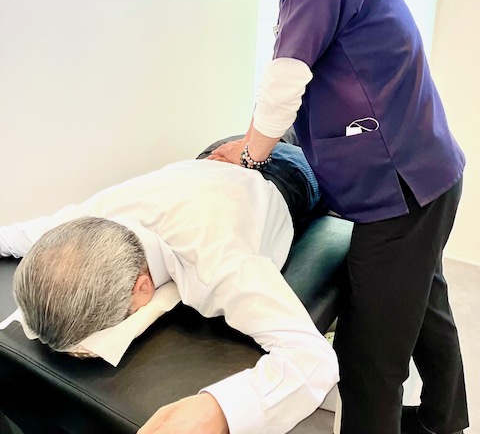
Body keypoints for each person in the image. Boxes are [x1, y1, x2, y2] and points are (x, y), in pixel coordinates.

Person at [206, 0, 469, 434]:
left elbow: (285, 82)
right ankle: (443, 423)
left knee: (368, 352)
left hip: (399, 192)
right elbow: (318, 87)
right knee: (427, 309)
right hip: (424, 175)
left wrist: (249, 156)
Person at [0, 139, 338, 434]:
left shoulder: (215, 261)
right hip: (208, 161)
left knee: (319, 136)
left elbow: (312, 358)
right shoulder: (81, 225)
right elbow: (13, 237)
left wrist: (219, 411)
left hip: (286, 173)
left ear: (143, 287)